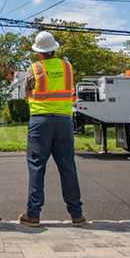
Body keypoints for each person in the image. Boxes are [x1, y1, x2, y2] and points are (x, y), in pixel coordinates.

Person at [19, 31, 85, 227]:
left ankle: (33, 214)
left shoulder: (35, 69)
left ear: (39, 52)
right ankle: (77, 213)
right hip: (64, 121)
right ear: (54, 49)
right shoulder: (67, 67)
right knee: (67, 167)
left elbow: (27, 95)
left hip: (41, 122)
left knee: (37, 167)